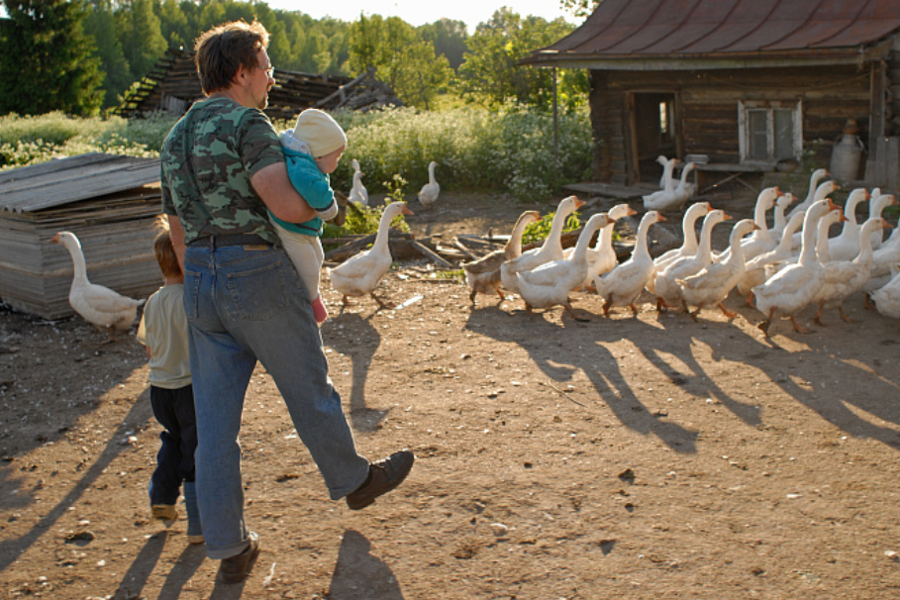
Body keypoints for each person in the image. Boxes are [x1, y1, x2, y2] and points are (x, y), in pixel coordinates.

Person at [159, 20, 414, 585]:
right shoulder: (248, 124)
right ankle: (353, 480)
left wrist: (201, 273)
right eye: (267, 67)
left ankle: (228, 544)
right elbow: (286, 204)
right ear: (242, 71)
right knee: (309, 388)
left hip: (199, 279)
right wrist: (325, 206)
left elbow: (176, 229)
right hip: (257, 274)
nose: (272, 78)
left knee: (214, 425)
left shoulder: (174, 137)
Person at [135, 218, 203, 545]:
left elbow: (149, 349)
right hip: (187, 387)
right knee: (196, 448)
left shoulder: (152, 302)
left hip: (158, 389)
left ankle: (162, 496)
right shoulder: (190, 300)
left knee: (173, 439)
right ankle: (198, 524)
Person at [271, 108, 346, 324]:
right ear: (320, 154)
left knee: (318, 256)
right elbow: (315, 191)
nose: (338, 162)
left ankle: (312, 295)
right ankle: (313, 302)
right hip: (290, 230)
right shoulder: (304, 169)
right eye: (337, 156)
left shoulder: (307, 162)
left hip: (305, 229)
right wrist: (330, 208)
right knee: (309, 267)